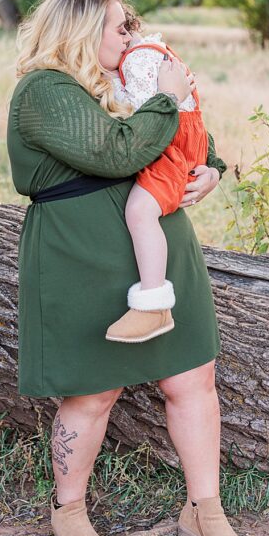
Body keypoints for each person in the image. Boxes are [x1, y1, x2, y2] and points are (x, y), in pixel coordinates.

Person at [6, 0, 258, 536]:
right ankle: (69, 513)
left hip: (161, 251)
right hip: (82, 255)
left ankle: (205, 513)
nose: (133, 34)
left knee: (193, 380)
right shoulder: (45, 90)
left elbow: (181, 136)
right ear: (80, 29)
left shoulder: (126, 80)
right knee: (93, 391)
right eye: (121, 25)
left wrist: (212, 167)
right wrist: (165, 99)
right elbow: (118, 152)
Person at [104, 25, 210, 343]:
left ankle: (153, 306)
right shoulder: (148, 54)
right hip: (178, 139)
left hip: (172, 146)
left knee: (140, 211)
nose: (122, 37)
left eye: (123, 29)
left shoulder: (138, 60)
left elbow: (147, 111)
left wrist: (109, 87)